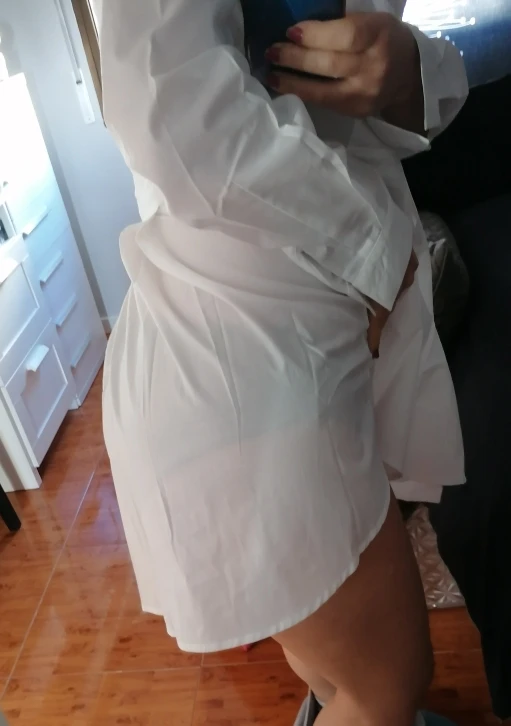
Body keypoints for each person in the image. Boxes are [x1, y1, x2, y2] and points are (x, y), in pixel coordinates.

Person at [93, 1, 468, 724]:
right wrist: (377, 247)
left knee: (336, 667)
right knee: (386, 686)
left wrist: (406, 70)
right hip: (246, 362)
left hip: (267, 346)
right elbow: (169, 112)